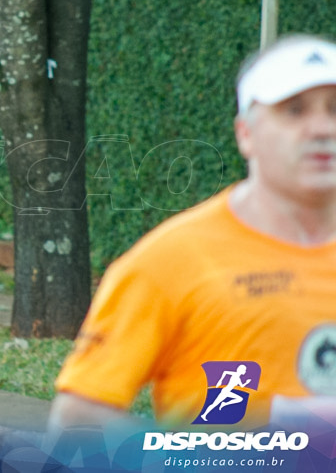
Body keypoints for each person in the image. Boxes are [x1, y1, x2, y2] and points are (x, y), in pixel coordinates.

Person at [50, 34, 336, 433]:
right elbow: (78, 420)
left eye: (334, 110)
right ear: (245, 134)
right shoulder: (172, 262)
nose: (322, 128)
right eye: (294, 111)